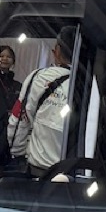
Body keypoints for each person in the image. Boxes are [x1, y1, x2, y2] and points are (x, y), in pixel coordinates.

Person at [6, 31, 74, 176]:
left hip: (39, 169)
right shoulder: (88, 84)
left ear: (57, 51)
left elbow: (19, 120)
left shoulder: (38, 78)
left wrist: (17, 152)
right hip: (73, 172)